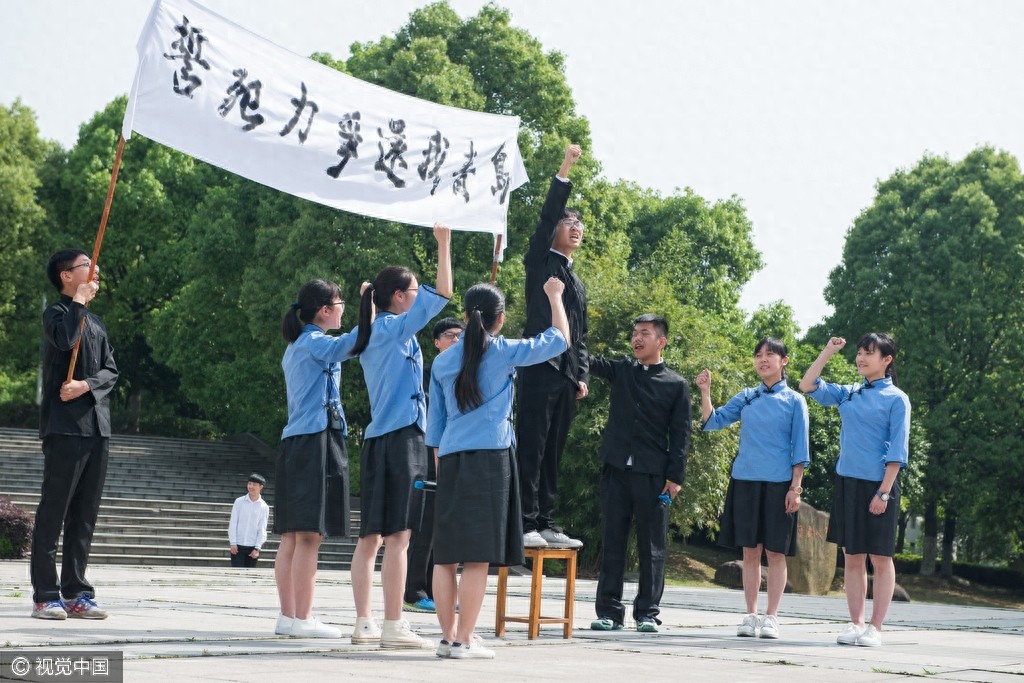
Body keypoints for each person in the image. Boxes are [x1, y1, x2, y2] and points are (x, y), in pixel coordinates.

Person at [427, 279, 570, 659]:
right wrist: (555, 296)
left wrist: (442, 472)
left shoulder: (442, 361)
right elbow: (559, 339)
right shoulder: (504, 351)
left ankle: (448, 637)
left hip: (452, 461)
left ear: (464, 316)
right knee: (476, 557)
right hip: (490, 458)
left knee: (445, 556)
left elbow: (435, 428)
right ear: (500, 319)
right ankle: (464, 640)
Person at [348, 224, 452, 649]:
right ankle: (394, 624)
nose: (417, 298)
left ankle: (364, 622)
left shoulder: (368, 331)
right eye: (411, 292)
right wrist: (443, 243)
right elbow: (444, 293)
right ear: (397, 297)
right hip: (404, 439)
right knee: (401, 536)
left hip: (377, 441)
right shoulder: (391, 328)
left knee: (370, 537)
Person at [799, 334, 910, 648]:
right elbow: (807, 384)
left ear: (887, 360)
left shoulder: (897, 398)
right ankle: (856, 623)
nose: (861, 358)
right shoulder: (849, 393)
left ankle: (876, 627)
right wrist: (828, 352)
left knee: (881, 557)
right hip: (847, 482)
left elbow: (898, 451)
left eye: (869, 354)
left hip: (879, 486)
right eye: (859, 353)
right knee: (852, 557)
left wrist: (884, 493)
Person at [695, 337, 810, 640]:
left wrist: (795, 488)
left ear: (784, 361)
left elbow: (800, 448)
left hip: (779, 484)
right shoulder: (747, 397)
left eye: (770, 355)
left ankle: (771, 617)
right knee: (750, 552)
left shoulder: (796, 401)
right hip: (745, 480)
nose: (763, 360)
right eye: (758, 355)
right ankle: (750, 615)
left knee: (775, 553)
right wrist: (705, 392)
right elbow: (713, 421)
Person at [587, 314, 690, 633]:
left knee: (652, 546)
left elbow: (681, 434)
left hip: (653, 475)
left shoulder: (676, 384)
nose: (637, 338)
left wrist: (675, 478)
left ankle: (647, 613)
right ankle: (609, 612)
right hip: (616, 469)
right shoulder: (622, 370)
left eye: (644, 333)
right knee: (612, 541)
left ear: (661, 341)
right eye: (634, 333)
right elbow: (586, 359)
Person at [31, 249, 118, 620]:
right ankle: (46, 595)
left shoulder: (96, 322)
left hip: (97, 427)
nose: (94, 269)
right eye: (87, 265)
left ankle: (77, 591)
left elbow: (111, 371)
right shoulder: (57, 313)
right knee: (54, 511)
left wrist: (85, 385)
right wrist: (78, 303)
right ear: (67, 276)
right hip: (64, 428)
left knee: (85, 514)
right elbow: (66, 342)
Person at [275, 278, 365, 638]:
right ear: (325, 311)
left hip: (297, 441)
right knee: (311, 536)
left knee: (293, 537)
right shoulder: (315, 342)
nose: (343, 309)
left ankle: (288, 616)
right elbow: (356, 343)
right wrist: (370, 305)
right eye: (341, 304)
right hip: (315, 440)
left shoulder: (298, 343)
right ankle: (302, 619)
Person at [516, 143, 589, 548]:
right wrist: (566, 166)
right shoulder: (540, 262)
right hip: (539, 365)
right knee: (532, 446)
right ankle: (525, 522)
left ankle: (546, 521)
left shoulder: (576, 280)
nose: (574, 227)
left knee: (554, 452)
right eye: (568, 222)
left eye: (579, 223)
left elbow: (581, 334)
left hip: (565, 376)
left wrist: (581, 374)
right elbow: (547, 215)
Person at [404, 317, 465, 614]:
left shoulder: (463, 374)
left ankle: (433, 589)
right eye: (450, 336)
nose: (457, 340)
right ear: (437, 342)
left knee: (443, 529)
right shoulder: (427, 375)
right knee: (424, 526)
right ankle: (414, 591)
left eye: (461, 336)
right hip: (429, 455)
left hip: (454, 455)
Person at [228, 473, 270, 568]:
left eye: (254, 484)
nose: (251, 487)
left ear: (261, 487)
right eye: (249, 484)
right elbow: (233, 523)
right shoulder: (239, 502)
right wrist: (233, 543)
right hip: (237, 546)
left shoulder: (264, 507)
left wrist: (257, 548)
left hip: (252, 548)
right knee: (236, 575)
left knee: (249, 576)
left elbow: (262, 528)